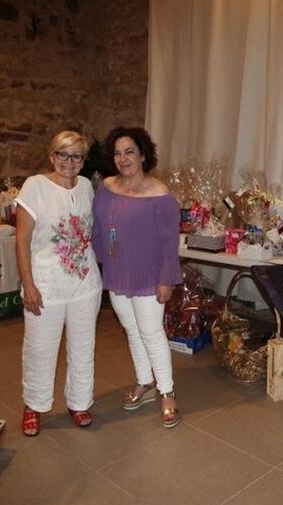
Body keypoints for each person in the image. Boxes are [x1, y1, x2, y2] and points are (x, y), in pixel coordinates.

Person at [92, 126, 183, 428]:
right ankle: (145, 382)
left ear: (143, 155)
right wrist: (97, 260)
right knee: (131, 329)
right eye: (117, 153)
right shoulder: (106, 188)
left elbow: (170, 244)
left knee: (151, 332)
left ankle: (167, 391)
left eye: (129, 151)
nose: (123, 158)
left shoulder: (160, 195)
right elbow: (98, 228)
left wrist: (166, 279)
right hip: (117, 271)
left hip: (149, 275)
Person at [15, 130, 102, 437]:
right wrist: (28, 285)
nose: (69, 161)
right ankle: (34, 405)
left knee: (83, 348)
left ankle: (79, 402)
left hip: (85, 285)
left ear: (84, 160)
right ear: (52, 156)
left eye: (76, 156)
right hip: (46, 286)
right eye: (63, 154)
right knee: (40, 349)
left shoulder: (87, 186)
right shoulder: (34, 186)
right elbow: (22, 241)